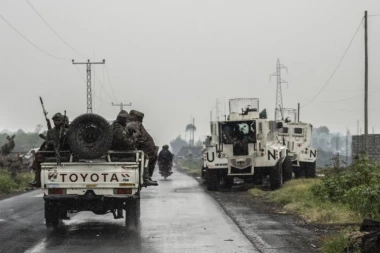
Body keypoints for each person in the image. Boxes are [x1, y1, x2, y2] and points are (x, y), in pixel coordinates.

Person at [30, 112, 69, 187]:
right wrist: (51, 143)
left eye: (59, 120)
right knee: (38, 155)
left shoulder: (67, 131)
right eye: (55, 120)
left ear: (62, 121)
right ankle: (37, 180)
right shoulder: (50, 132)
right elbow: (47, 142)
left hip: (65, 152)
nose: (57, 122)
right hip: (52, 151)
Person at [127, 110, 158, 186]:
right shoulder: (134, 123)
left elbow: (136, 134)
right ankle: (146, 178)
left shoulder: (135, 123)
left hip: (146, 148)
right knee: (146, 159)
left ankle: (147, 177)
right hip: (144, 148)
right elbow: (136, 134)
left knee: (148, 160)